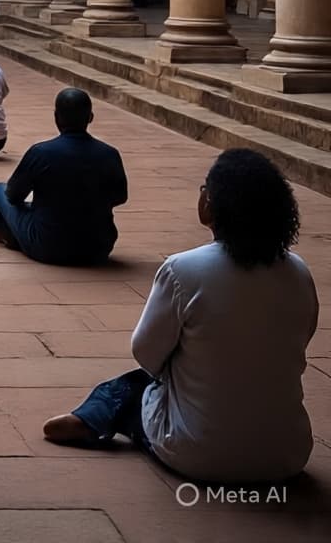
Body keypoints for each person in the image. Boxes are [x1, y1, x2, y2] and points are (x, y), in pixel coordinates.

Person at [43, 149, 319, 485]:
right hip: (286, 455)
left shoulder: (183, 270)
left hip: (196, 453)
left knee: (130, 386)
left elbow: (146, 354)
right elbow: (300, 339)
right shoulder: (299, 271)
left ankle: (92, 418)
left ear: (212, 206)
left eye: (206, 190)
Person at [0, 88, 126, 263]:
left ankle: (8, 234)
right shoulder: (110, 154)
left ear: (56, 117)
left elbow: (12, 195)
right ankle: (14, 232)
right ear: (90, 117)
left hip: (49, 246)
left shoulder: (41, 152)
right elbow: (120, 197)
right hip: (98, 247)